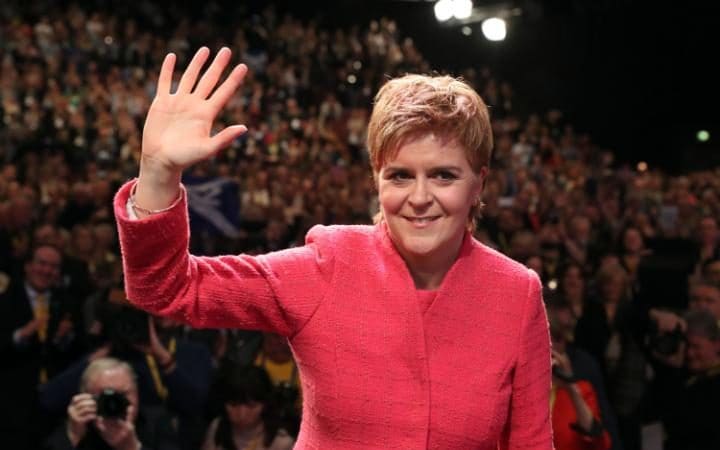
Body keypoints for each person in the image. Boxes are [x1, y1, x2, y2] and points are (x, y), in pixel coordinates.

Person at [113, 46, 552, 449]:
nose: (419, 197)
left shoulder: (517, 293)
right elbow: (166, 288)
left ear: (480, 183)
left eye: (443, 175)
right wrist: (157, 175)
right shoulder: (328, 265)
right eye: (399, 176)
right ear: (376, 179)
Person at [44, 356, 180, 450]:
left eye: (123, 394)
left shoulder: (157, 421)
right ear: (85, 397)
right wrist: (72, 435)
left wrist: (132, 448)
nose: (114, 403)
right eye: (105, 396)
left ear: (137, 393)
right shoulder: (78, 424)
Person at [202, 365, 294, 450]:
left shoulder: (282, 442)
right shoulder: (217, 427)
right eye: (233, 405)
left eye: (252, 406)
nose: (242, 414)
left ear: (265, 405)